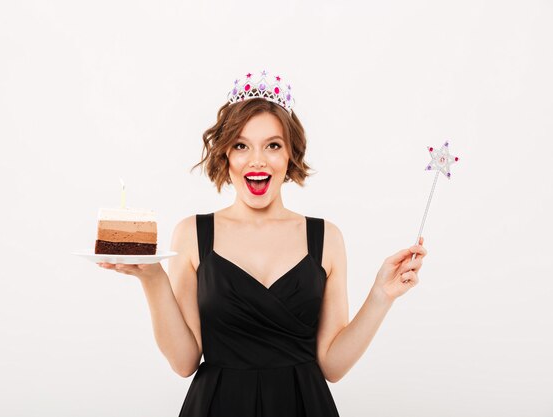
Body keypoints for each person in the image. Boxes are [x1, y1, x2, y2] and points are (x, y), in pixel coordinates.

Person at [97, 70, 427, 417]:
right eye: (241, 145)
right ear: (225, 155)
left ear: (290, 155)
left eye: (273, 145)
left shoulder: (326, 237)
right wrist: (153, 279)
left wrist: (381, 296)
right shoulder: (193, 234)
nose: (257, 160)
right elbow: (183, 362)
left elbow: (332, 366)